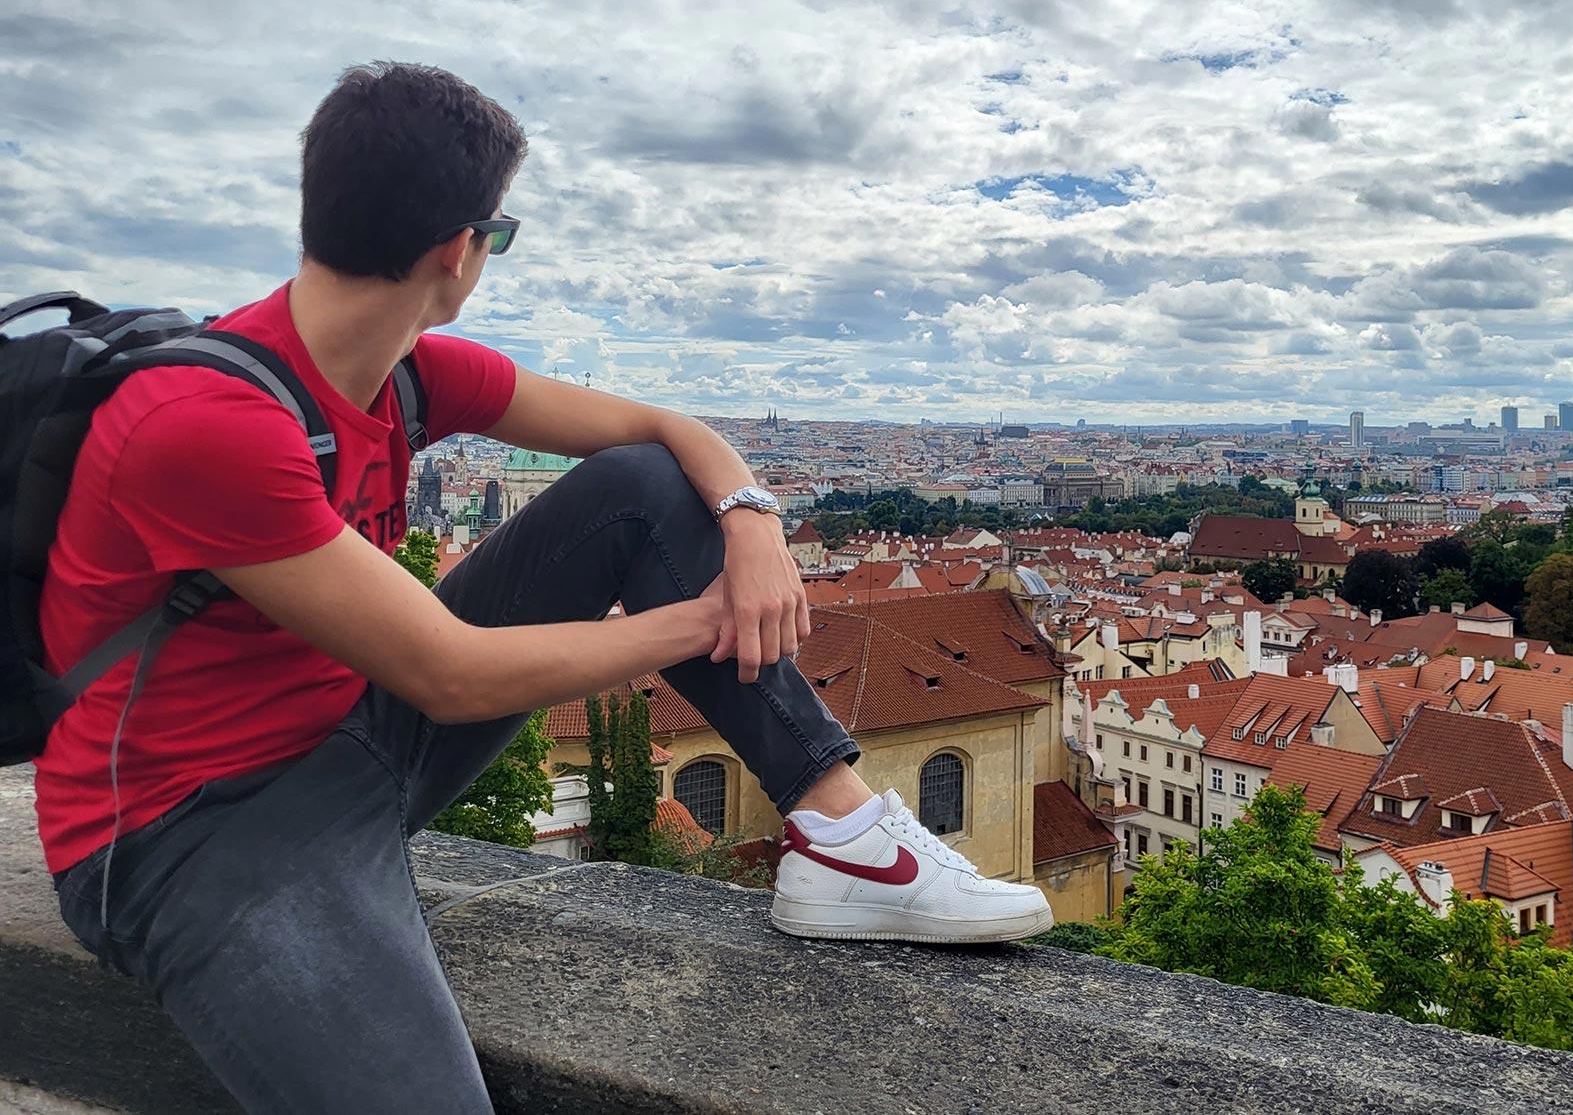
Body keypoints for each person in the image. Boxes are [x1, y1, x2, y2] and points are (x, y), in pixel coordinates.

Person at [36, 61, 1052, 1113]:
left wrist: (750, 520)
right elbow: (450, 673)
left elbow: (661, 434)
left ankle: (842, 838)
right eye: (498, 233)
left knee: (641, 490)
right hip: (191, 833)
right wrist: (705, 614)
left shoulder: (406, 373)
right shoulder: (207, 423)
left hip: (350, 739)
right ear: (457, 252)